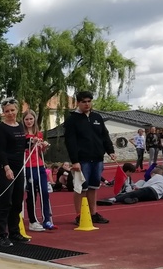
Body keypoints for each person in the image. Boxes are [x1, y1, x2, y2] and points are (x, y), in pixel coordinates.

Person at [63, 91, 116, 225]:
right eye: (84, 102)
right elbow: (70, 142)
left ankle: (93, 214)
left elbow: (104, 135)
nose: (87, 104)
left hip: (97, 158)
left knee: (93, 187)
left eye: (89, 101)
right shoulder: (72, 120)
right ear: (78, 103)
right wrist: (75, 161)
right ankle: (79, 215)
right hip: (82, 160)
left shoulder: (97, 117)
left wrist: (110, 150)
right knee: (81, 188)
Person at [0, 97, 28, 247]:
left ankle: (15, 232)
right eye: (7, 111)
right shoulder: (1, 128)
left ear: (17, 110)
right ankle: (1, 235)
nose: (10, 113)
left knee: (17, 200)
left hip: (19, 168)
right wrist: (7, 168)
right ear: (3, 113)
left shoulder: (20, 126)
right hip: (5, 168)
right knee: (5, 201)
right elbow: (1, 150)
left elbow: (22, 144)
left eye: (12, 110)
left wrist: (34, 143)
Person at [22, 110, 54, 231]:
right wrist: (31, 142)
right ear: (23, 121)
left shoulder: (39, 134)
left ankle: (47, 219)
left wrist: (43, 146)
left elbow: (40, 152)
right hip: (28, 166)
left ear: (34, 119)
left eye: (31, 119)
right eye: (26, 119)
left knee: (44, 192)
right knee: (32, 194)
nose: (29, 121)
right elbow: (24, 149)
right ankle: (33, 220)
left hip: (39, 165)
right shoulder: (22, 135)